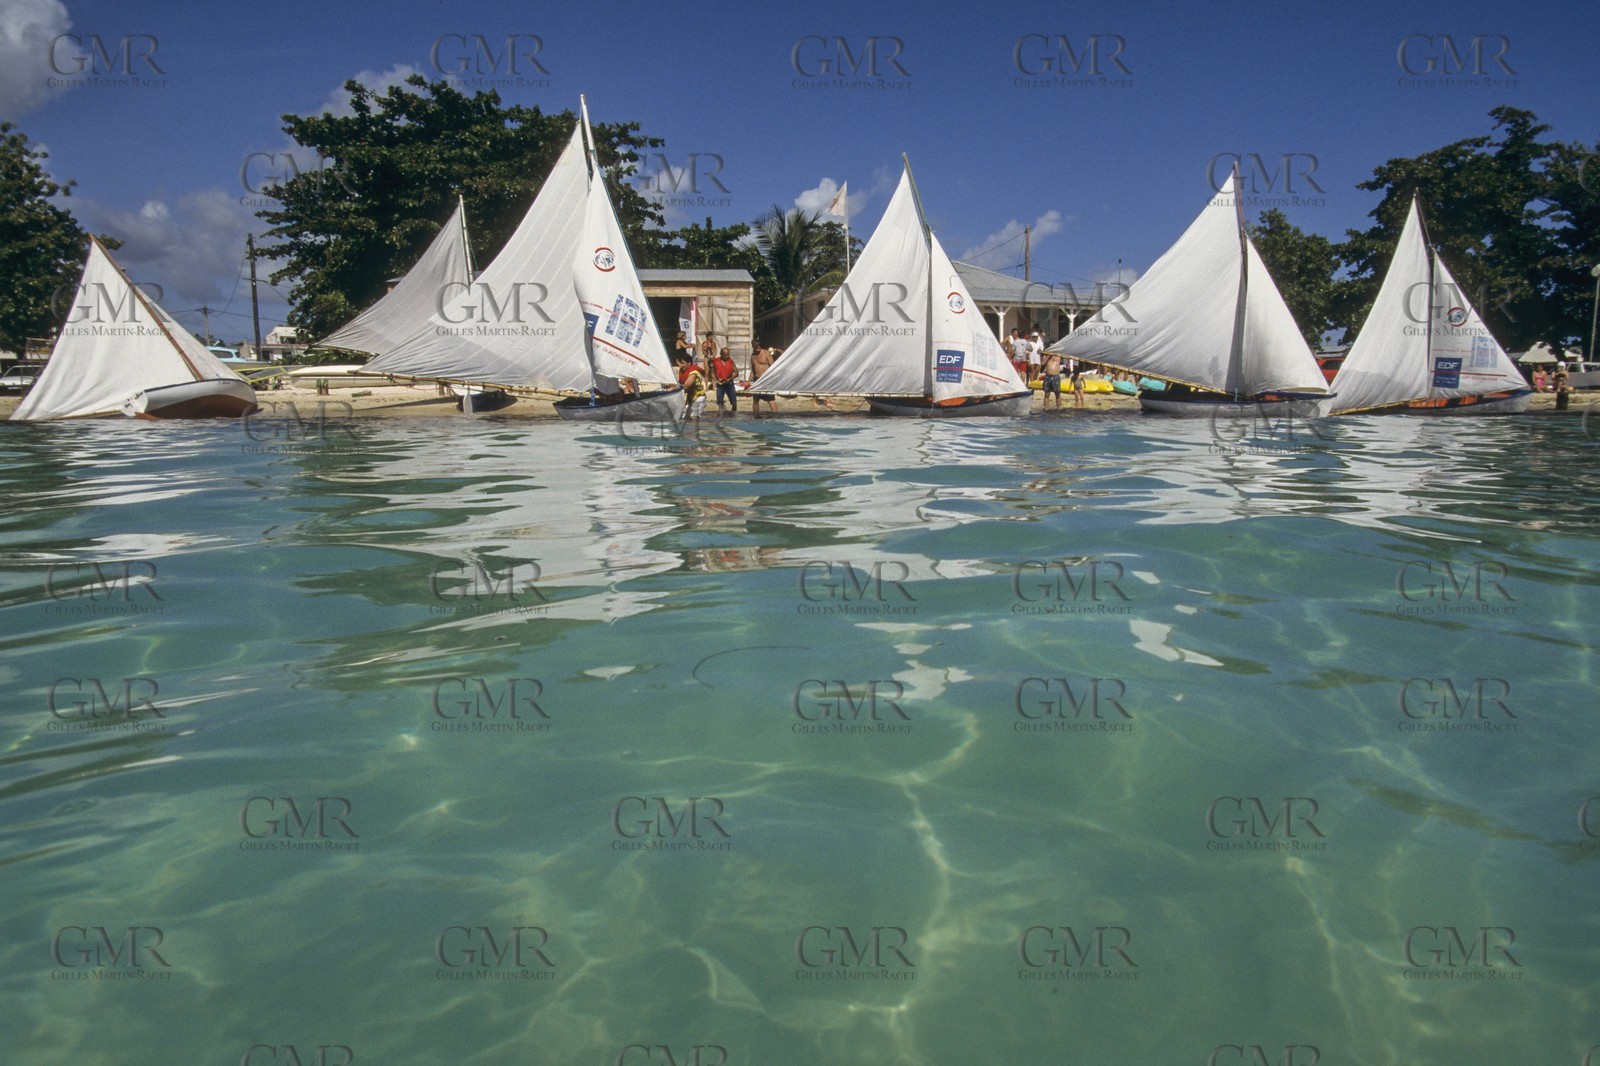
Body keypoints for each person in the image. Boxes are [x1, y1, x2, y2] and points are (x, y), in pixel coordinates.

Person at [676, 354, 707, 420]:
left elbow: (686, 386)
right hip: (691, 397)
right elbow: (678, 383)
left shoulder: (693, 373)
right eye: (680, 363)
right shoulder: (682, 370)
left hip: (698, 398)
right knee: (686, 418)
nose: (681, 365)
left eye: (683, 363)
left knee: (694, 418)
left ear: (689, 363)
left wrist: (674, 388)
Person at [749, 343, 777, 415]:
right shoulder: (752, 356)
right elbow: (753, 370)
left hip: (766, 380)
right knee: (755, 400)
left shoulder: (766, 353)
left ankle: (775, 417)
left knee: (770, 399)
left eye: (759, 345)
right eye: (756, 346)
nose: (758, 347)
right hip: (757, 380)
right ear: (753, 346)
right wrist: (748, 381)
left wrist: (771, 379)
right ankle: (755, 416)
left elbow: (773, 367)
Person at [711, 346, 738, 413]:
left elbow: (736, 373)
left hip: (729, 383)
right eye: (726, 355)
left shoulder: (731, 361)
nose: (727, 356)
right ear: (721, 354)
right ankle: (720, 419)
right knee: (720, 403)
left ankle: (733, 417)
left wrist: (730, 379)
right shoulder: (715, 361)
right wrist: (717, 381)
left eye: (728, 354)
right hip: (720, 384)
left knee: (734, 403)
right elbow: (712, 373)